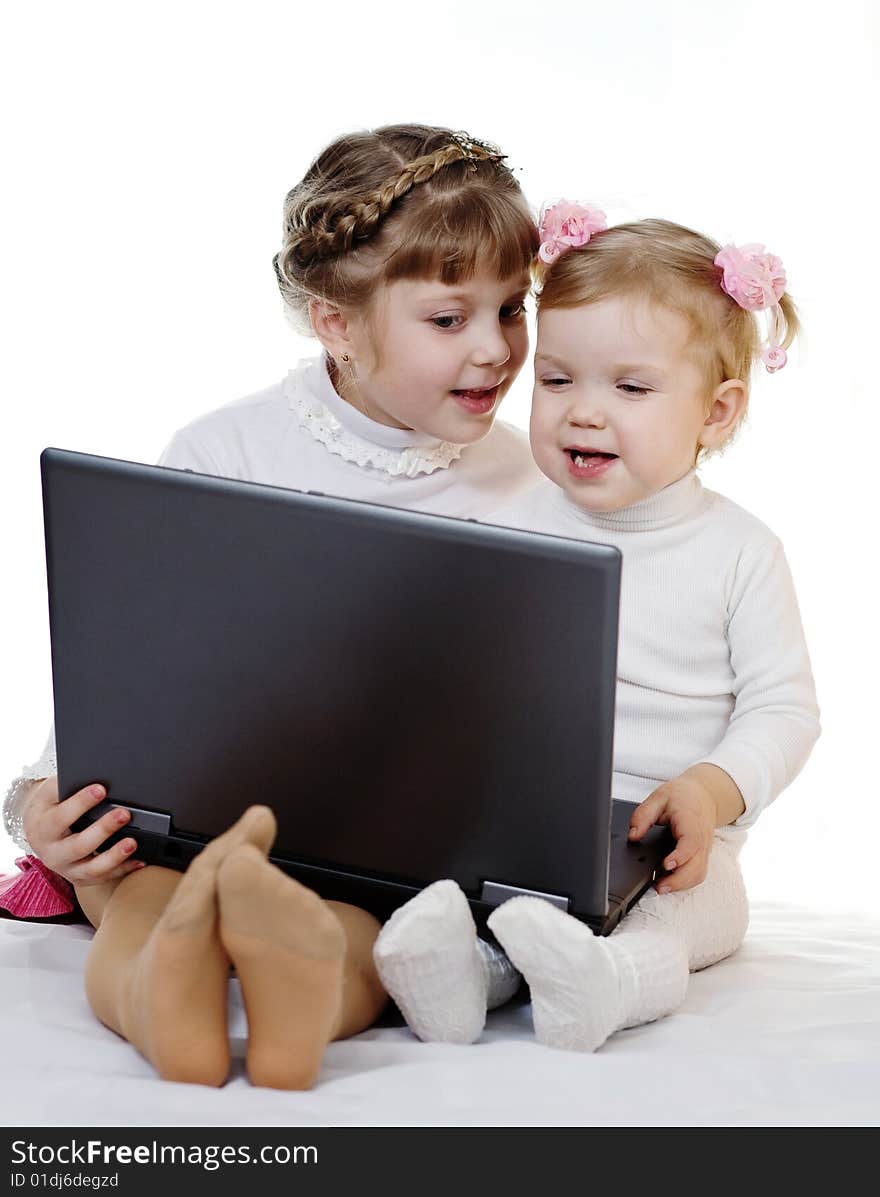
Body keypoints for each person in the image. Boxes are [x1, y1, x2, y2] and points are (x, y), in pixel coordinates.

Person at [0, 123, 541, 1087]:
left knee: (379, 939)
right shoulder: (226, 450)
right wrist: (47, 796)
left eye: (513, 306)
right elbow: (132, 657)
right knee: (142, 896)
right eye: (450, 319)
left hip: (403, 853)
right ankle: (160, 991)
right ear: (336, 320)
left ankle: (305, 986)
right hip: (207, 816)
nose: (498, 349)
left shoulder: (529, 478)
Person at [373, 204, 821, 1052]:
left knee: (689, 915)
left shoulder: (740, 552)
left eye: (630, 386)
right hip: (530, 825)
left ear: (717, 412)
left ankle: (608, 982)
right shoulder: (510, 518)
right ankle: (464, 973)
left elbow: (786, 711)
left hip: (672, 846)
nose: (583, 411)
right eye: (557, 379)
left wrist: (708, 788)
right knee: (492, 899)